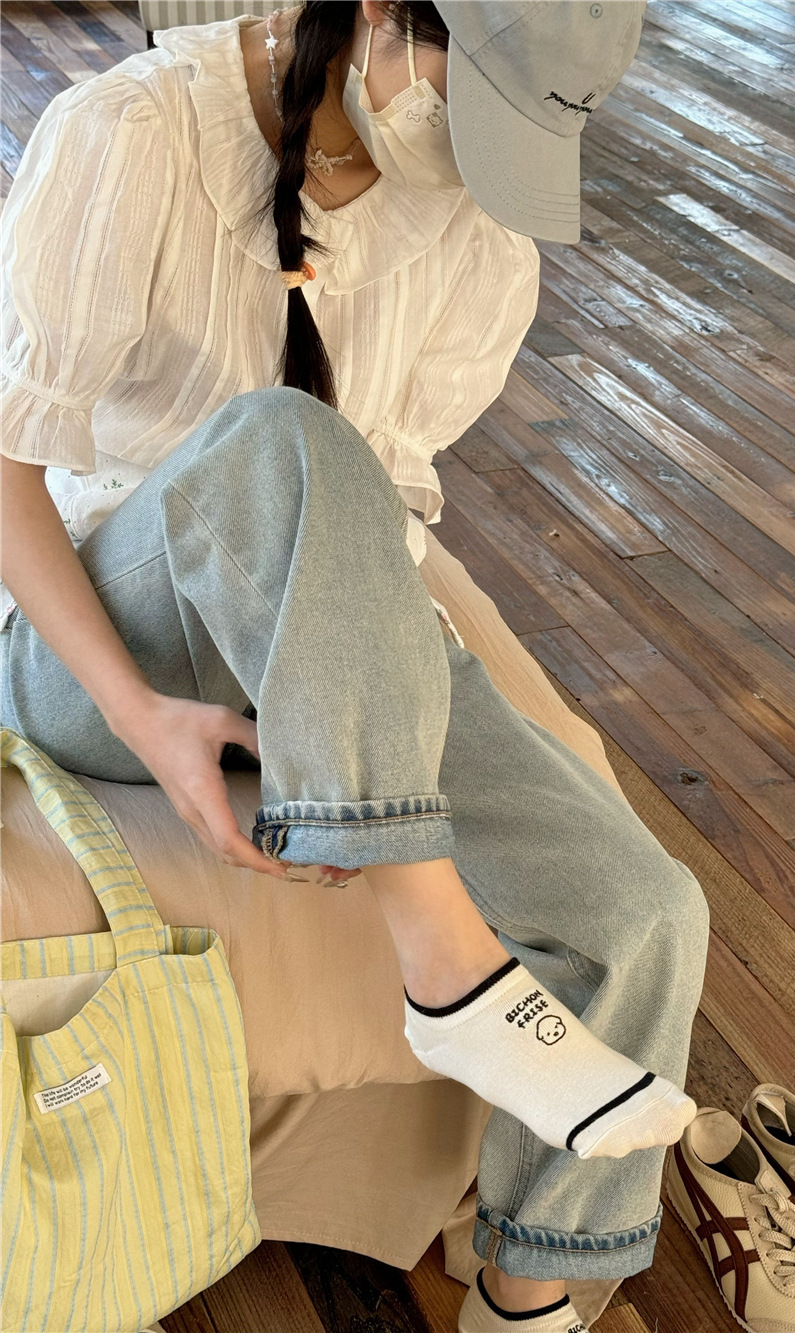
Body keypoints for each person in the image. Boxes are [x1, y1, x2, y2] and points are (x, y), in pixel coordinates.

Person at [0, 4, 710, 1329]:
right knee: (284, 436)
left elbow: (387, 496)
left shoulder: (479, 225)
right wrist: (142, 716)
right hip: (106, 634)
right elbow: (5, 470)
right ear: (379, 11)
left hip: (329, 626)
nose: (473, 158)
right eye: (467, 101)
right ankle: (446, 966)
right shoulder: (131, 136)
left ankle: (526, 1292)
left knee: (645, 907)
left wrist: (391, 672)